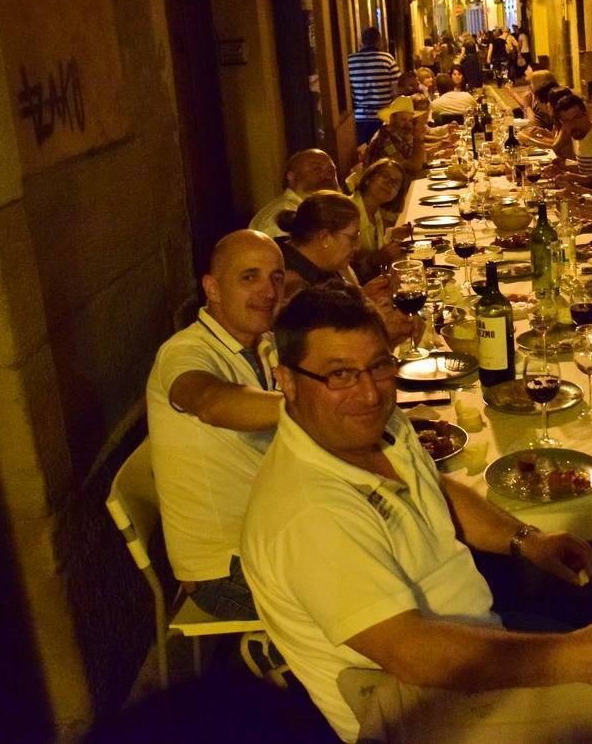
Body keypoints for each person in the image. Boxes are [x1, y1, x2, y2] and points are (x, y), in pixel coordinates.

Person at [240, 285, 592, 743]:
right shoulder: (306, 511)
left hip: (477, 637)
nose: (369, 393)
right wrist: (571, 656)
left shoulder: (375, 428)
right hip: (419, 710)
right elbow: (410, 652)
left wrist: (528, 540)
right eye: (340, 375)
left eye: (378, 365)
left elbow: (435, 489)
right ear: (286, 381)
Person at [146, 230, 286, 622]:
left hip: (279, 536)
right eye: (249, 277)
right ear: (213, 288)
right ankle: (276, 659)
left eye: (276, 277)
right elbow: (209, 402)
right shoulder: (184, 351)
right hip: (227, 570)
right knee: (376, 592)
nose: (268, 291)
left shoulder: (263, 343)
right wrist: (311, 404)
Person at [278, 192, 417, 345]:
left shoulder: (321, 263)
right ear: (324, 238)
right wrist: (376, 326)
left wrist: (363, 297)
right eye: (352, 237)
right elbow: (324, 349)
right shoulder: (292, 286)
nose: (357, 246)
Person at [249, 149, 340, 239]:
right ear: (292, 178)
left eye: (331, 170)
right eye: (316, 169)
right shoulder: (283, 214)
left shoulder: (328, 211)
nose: (327, 176)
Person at [351, 158, 412, 278]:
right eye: (385, 176)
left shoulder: (376, 211)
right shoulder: (349, 212)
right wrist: (377, 259)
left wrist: (392, 234)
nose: (390, 184)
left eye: (396, 182)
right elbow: (347, 270)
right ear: (368, 178)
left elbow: (373, 245)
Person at [348, 27, 400, 146]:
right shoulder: (387, 59)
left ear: (362, 42)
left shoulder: (350, 60)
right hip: (383, 115)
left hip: (359, 117)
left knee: (364, 151)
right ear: (379, 41)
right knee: (383, 149)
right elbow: (396, 89)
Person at [364, 95, 426, 177]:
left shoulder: (397, 135)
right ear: (392, 119)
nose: (408, 125)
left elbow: (417, 158)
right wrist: (418, 138)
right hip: (380, 186)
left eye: (410, 120)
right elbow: (413, 167)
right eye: (403, 120)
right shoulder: (385, 140)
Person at [551, 93, 592, 181]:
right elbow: (583, 170)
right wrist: (563, 167)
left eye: (576, 118)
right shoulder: (576, 134)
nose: (573, 124)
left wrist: (569, 176)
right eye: (567, 121)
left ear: (586, 115)